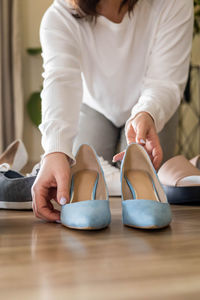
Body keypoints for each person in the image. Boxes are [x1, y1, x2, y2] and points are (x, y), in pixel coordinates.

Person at [32, 0, 193, 222]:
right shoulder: (60, 16)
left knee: (149, 174)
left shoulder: (174, 3)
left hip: (152, 110)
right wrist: (55, 150)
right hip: (94, 106)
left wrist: (147, 113)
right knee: (85, 175)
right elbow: (60, 81)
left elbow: (164, 81)